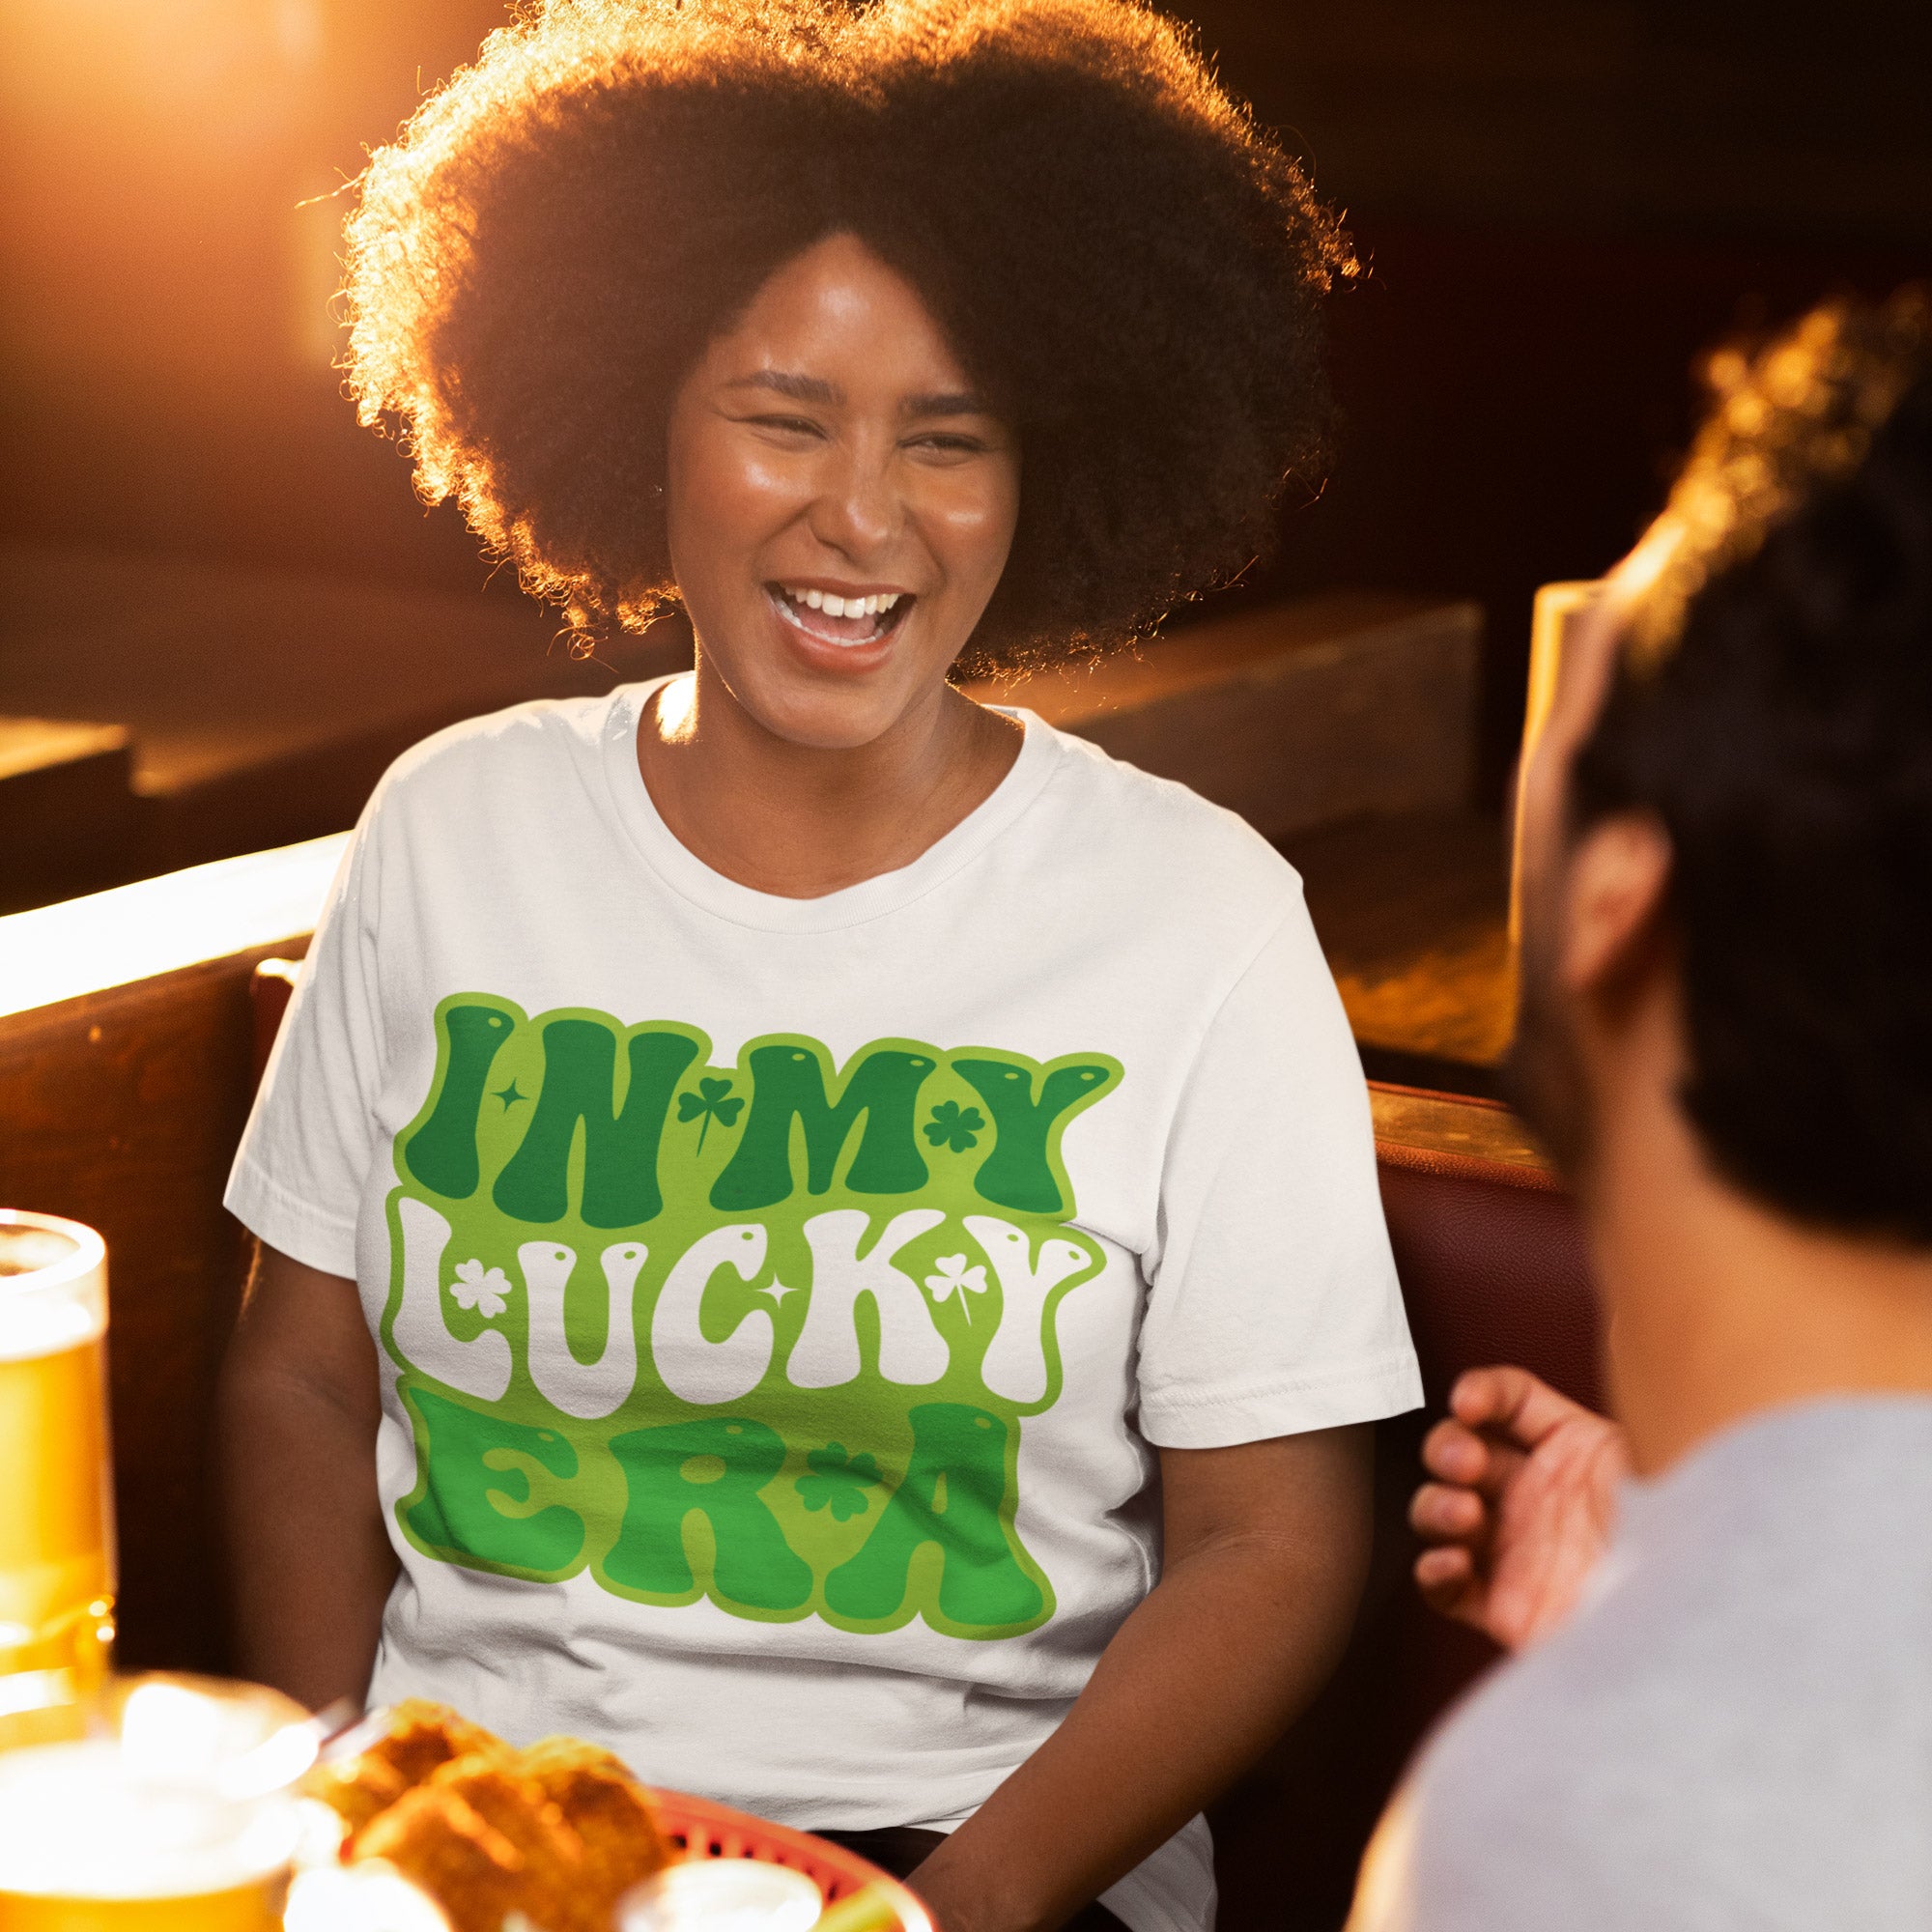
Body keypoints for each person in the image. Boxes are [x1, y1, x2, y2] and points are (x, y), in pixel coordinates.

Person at [217, 7, 1424, 1932]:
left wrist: (952, 1909)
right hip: (493, 1845)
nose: (860, 516)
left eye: (946, 444)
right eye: (784, 417)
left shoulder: (1196, 917)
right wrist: (350, 1793)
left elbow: (1272, 1540)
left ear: (1048, 479)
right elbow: (298, 1370)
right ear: (639, 418)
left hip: (980, 1860)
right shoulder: (451, 832)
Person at [1349, 288, 1932, 1930]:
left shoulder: (1572, 1828)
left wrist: (1682, 1688)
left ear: (1618, 894)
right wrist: (1677, 1580)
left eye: (1598, 664)